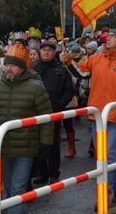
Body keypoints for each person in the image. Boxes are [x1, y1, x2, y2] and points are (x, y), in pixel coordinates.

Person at [63, 29, 116, 204]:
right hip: (95, 116)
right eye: (108, 37)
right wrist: (68, 61)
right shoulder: (96, 59)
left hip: (115, 117)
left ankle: (103, 196)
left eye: (112, 36)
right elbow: (81, 72)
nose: (108, 39)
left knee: (110, 158)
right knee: (102, 158)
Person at [0, 43, 53, 214]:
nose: (8, 68)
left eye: (13, 65)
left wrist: (45, 144)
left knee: (17, 191)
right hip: (2, 148)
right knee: (9, 191)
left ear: (22, 67)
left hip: (25, 149)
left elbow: (47, 119)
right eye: (7, 64)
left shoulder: (36, 88)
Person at [32, 40, 74, 184]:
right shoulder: (34, 67)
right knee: (38, 144)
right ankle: (42, 173)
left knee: (53, 144)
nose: (46, 52)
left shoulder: (60, 69)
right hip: (36, 113)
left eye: (49, 50)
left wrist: (59, 105)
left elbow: (69, 90)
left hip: (53, 113)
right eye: (43, 50)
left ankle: (53, 174)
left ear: (53, 52)